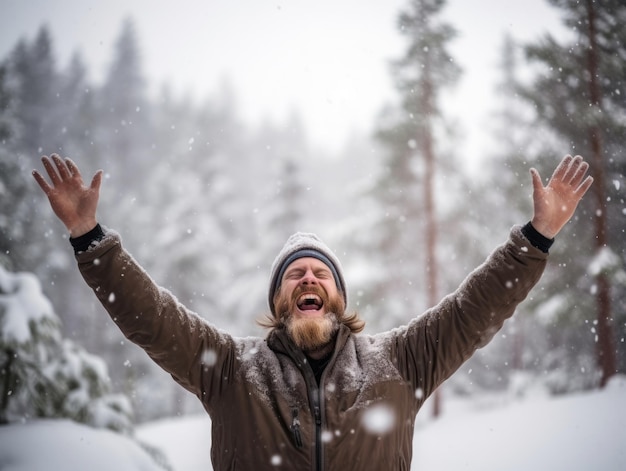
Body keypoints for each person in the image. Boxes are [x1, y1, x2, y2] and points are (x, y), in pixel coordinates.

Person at [33, 153, 593, 470]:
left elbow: (476, 307)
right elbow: (150, 316)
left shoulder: (401, 360)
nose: (308, 278)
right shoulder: (228, 368)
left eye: (321, 273)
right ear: (279, 301)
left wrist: (538, 235)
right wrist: (90, 238)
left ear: (339, 298)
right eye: (295, 274)